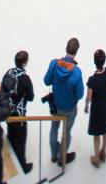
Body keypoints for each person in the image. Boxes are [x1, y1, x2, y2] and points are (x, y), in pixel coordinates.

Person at [44, 37, 84, 167]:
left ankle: (53, 155)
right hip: (69, 109)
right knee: (66, 132)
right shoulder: (77, 72)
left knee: (54, 129)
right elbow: (80, 94)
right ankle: (62, 159)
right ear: (76, 52)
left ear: (66, 48)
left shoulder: (54, 64)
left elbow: (46, 81)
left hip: (56, 105)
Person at [2, 51, 34, 174]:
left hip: (7, 110)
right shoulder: (25, 78)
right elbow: (30, 97)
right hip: (19, 113)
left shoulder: (9, 72)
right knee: (21, 138)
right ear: (24, 63)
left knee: (11, 131)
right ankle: (22, 164)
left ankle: (12, 152)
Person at [85, 48, 106, 167]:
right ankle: (103, 151)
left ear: (94, 62)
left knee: (97, 133)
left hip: (97, 108)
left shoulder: (92, 80)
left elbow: (89, 97)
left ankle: (96, 157)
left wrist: (86, 105)